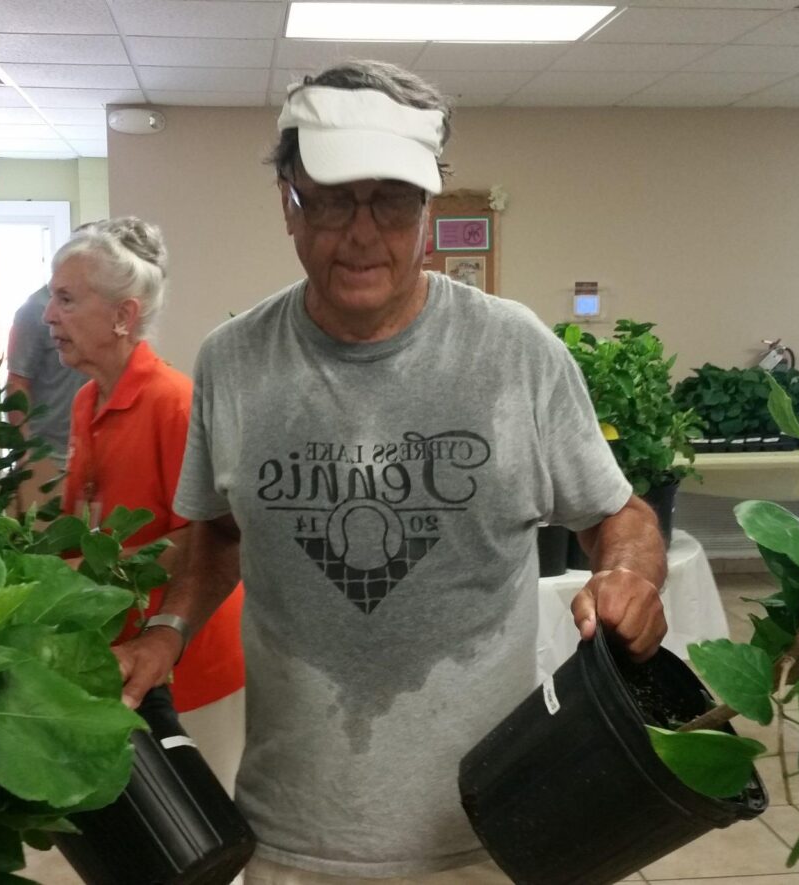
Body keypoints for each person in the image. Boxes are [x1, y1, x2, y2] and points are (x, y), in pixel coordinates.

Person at [115, 61, 668, 882]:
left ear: (430, 208)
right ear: (288, 202)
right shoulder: (233, 363)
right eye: (333, 199)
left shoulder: (516, 354)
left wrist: (628, 577)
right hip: (286, 839)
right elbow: (220, 535)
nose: (363, 232)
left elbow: (620, 518)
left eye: (393, 200)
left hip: (491, 829)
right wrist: (167, 628)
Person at [43, 217, 245, 792]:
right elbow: (83, 522)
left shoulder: (175, 403)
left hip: (196, 657)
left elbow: (207, 539)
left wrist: (95, 573)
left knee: (207, 824)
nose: (48, 316)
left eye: (65, 299)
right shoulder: (87, 401)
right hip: (126, 653)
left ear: (123, 316)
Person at [6, 284, 86, 512]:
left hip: (89, 455)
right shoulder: (35, 310)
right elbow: (17, 381)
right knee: (44, 542)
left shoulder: (96, 308)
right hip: (46, 456)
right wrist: (25, 450)